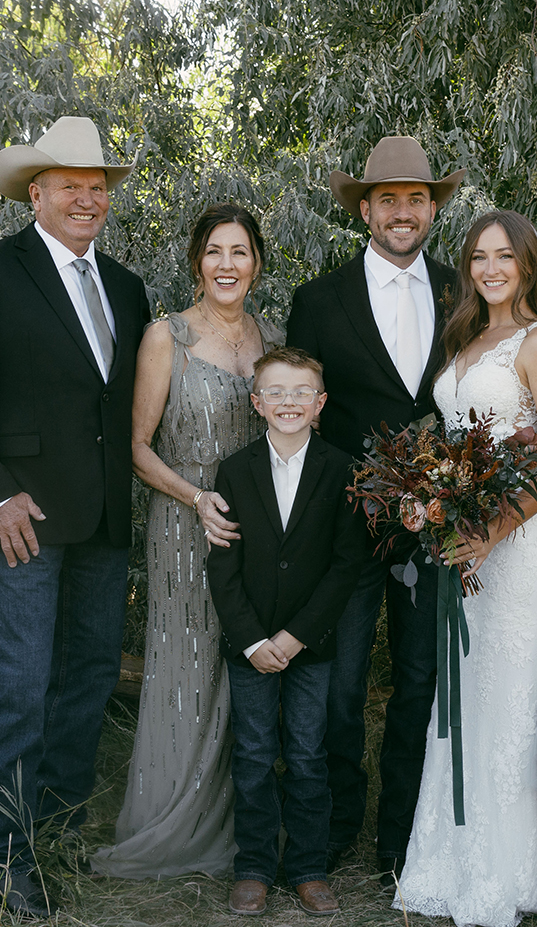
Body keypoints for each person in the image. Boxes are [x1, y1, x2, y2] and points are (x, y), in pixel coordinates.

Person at [0, 116, 150, 918]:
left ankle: (52, 834)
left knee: (88, 681)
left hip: (100, 518)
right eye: (71, 187)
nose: (88, 200)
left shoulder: (125, 286)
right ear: (37, 193)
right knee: (18, 684)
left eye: (98, 189)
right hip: (17, 518)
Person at [285, 136, 464, 887]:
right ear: (364, 208)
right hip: (348, 530)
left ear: (433, 209)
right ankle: (330, 833)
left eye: (415, 199)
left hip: (439, 527)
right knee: (342, 684)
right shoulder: (317, 300)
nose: (401, 212)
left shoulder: (465, 292)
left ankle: (402, 842)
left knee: (422, 682)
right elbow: (304, 424)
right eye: (386, 198)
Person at [395, 209, 537, 927]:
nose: (491, 268)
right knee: (464, 691)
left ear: (529, 264)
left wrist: (494, 530)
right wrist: (436, 505)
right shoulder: (467, 337)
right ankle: (448, 860)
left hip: (524, 541)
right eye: (479, 257)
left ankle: (509, 874)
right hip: (469, 536)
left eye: (505, 256)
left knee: (510, 695)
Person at [92, 204, 281, 880]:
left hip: (260, 529)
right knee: (188, 667)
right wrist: (196, 499)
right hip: (186, 523)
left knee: (247, 667)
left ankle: (246, 821)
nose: (227, 265)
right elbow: (136, 448)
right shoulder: (163, 337)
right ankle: (171, 818)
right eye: (214, 252)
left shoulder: (273, 336)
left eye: (240, 252)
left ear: (258, 262)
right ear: (196, 261)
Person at [206, 347, 368, 918]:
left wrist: (296, 636)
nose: (289, 402)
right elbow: (221, 566)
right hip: (249, 645)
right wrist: (252, 640)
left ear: (320, 404)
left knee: (306, 752)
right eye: (276, 391)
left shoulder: (342, 468)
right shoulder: (235, 469)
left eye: (302, 392)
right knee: (252, 753)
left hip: (311, 643)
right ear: (257, 403)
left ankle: (305, 866)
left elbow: (347, 564)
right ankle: (252, 865)